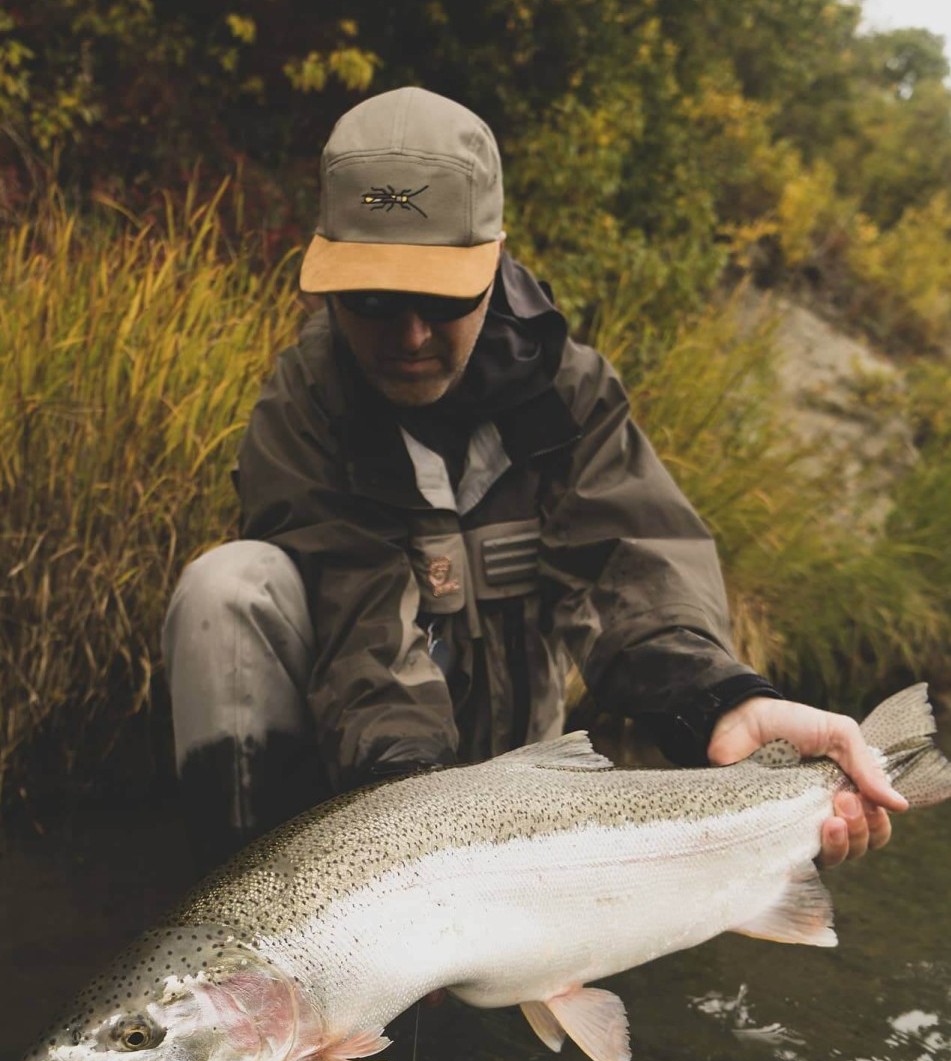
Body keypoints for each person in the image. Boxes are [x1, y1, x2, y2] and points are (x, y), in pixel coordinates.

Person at [162, 86, 904, 868]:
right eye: (373, 299)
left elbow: (629, 570)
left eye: (440, 297)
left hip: (525, 787)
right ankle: (251, 893)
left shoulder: (568, 392)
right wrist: (411, 835)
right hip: (361, 792)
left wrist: (722, 704)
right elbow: (359, 627)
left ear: (494, 262)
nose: (408, 335)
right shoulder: (303, 407)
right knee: (226, 587)